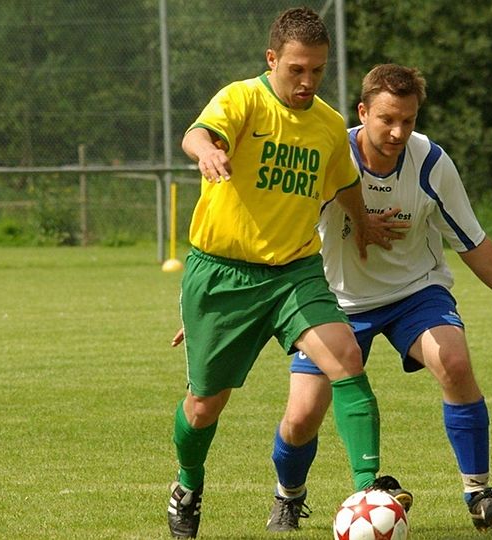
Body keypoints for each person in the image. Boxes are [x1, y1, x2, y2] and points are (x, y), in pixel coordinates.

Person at [264, 64, 492, 533]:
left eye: (408, 121)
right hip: (336, 302)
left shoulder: (430, 162)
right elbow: (278, 233)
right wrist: (232, 308)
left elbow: (472, 242)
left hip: (415, 292)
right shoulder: (329, 156)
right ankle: (289, 496)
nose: (397, 131)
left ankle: (479, 493)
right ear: (363, 111)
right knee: (303, 415)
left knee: (453, 360)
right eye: (387, 119)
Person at [166, 9, 409, 539]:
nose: (307, 82)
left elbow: (343, 182)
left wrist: (362, 220)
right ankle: (188, 483)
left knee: (345, 357)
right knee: (205, 405)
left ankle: (367, 489)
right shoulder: (241, 99)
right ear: (272, 59)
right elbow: (198, 134)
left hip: (295, 272)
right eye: (297, 69)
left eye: (318, 71)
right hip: (222, 273)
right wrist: (207, 150)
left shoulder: (325, 124)